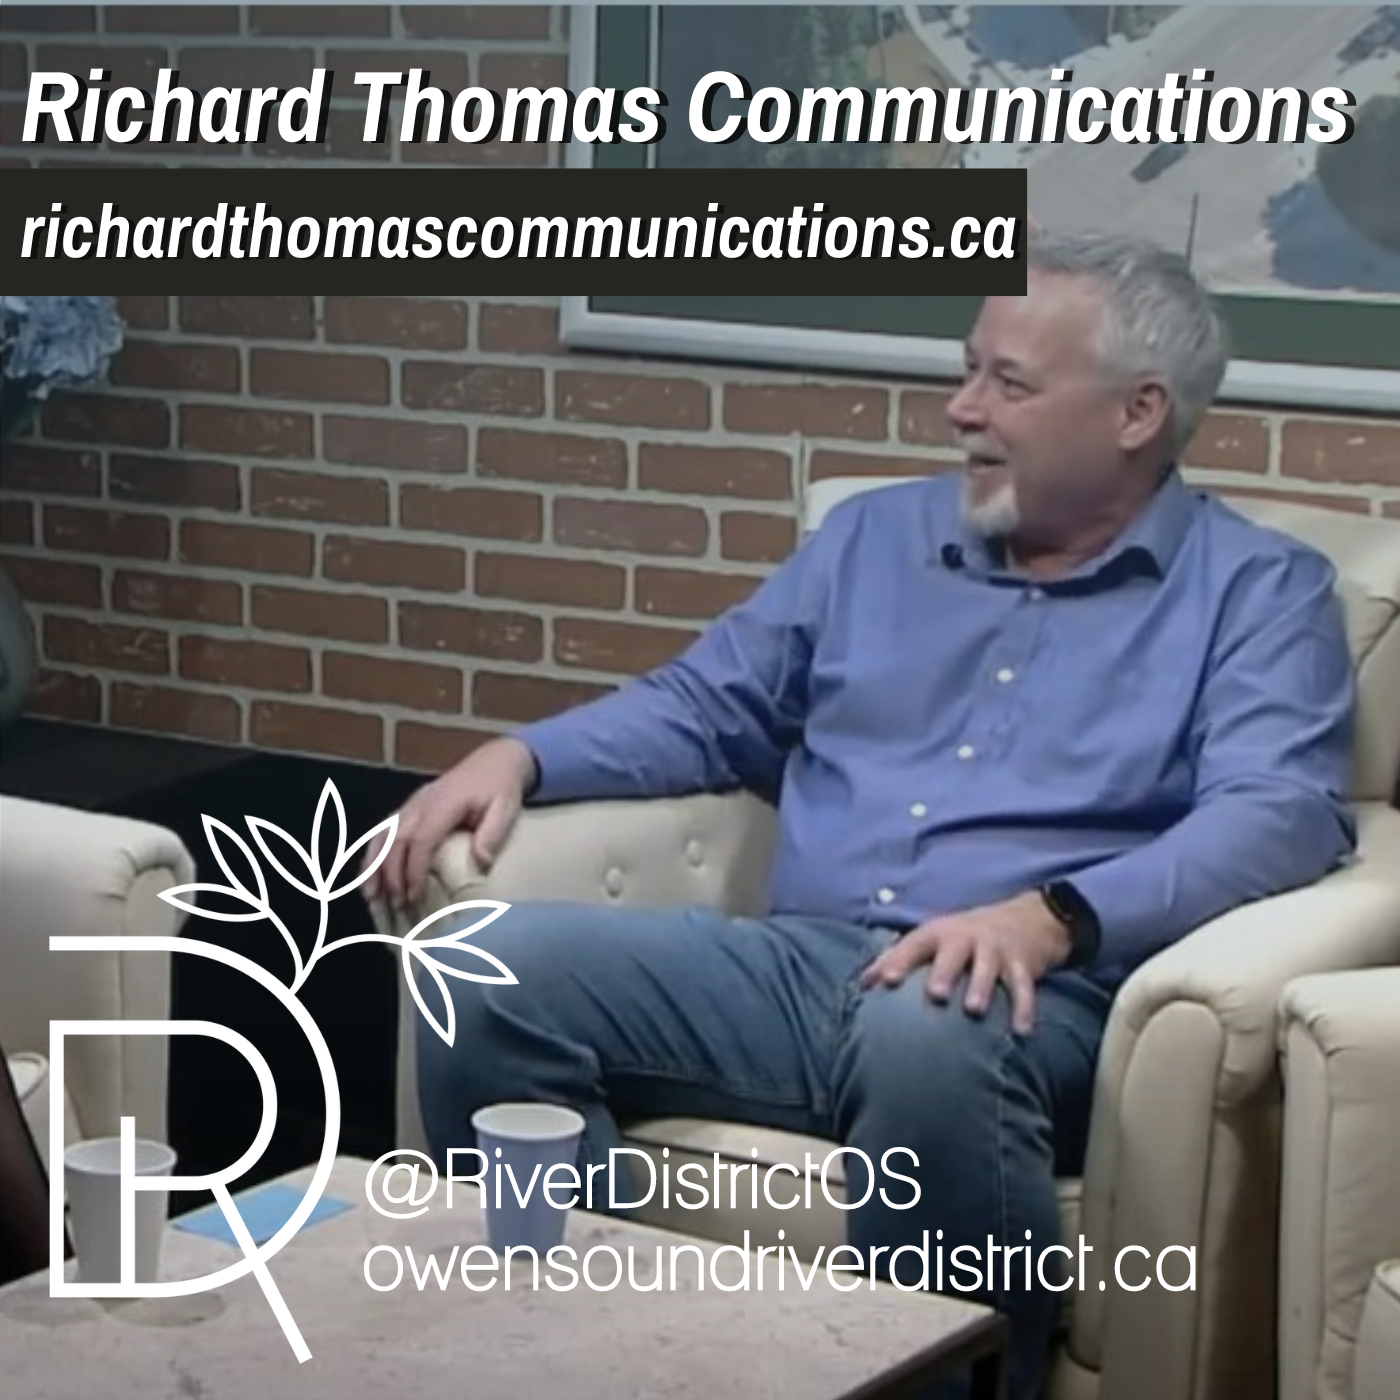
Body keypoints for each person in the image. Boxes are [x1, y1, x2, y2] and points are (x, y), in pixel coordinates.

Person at [363, 229, 1357, 1400]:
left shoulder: (1256, 590)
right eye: (967, 366)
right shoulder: (871, 540)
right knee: (482, 963)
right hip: (800, 964)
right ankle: (574, 1351)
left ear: (1137, 413)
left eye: (1008, 383)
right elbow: (705, 707)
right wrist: (520, 753)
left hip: (1045, 997)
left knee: (929, 1019)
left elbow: (1276, 813)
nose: (958, 408)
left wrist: (1050, 916)